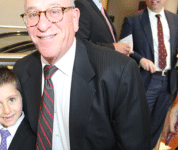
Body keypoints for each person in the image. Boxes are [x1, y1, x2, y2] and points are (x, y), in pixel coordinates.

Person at [14, 0, 151, 149]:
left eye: (54, 11)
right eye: (33, 14)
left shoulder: (119, 72)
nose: (42, 25)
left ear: (75, 18)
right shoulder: (22, 70)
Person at [120, 0, 178, 148]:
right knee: (137, 126)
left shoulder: (174, 19)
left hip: (168, 82)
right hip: (146, 81)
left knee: (156, 127)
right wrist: (140, 59)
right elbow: (124, 50)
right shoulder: (133, 20)